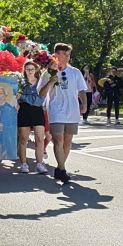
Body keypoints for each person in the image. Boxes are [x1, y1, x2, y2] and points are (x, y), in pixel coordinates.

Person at [38, 43, 87, 182]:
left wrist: (84, 104)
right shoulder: (48, 72)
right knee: (57, 139)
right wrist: (50, 82)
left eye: (68, 54)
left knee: (67, 141)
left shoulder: (75, 72)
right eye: (64, 54)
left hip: (72, 110)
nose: (67, 57)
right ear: (56, 55)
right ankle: (62, 169)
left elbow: (82, 90)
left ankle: (60, 169)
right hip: (56, 110)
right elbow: (41, 93)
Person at [16, 61, 47, 174]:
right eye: (28, 69)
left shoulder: (40, 83)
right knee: (23, 139)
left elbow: (40, 100)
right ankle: (23, 163)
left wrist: (24, 97)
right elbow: (17, 97)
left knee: (39, 138)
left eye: (32, 69)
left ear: (36, 70)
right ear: (24, 70)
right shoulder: (20, 82)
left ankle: (39, 163)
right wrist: (27, 98)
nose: (30, 71)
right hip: (24, 111)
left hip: (37, 111)